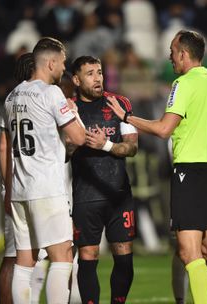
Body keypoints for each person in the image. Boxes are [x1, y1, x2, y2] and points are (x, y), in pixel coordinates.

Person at [107, 30, 207, 304]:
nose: (170, 57)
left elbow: (163, 129)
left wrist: (127, 117)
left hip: (191, 172)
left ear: (184, 54)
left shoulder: (183, 84)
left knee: (189, 252)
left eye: (173, 51)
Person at [2, 37, 85, 304]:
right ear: (50, 63)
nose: (64, 69)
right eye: (62, 63)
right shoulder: (51, 93)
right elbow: (78, 137)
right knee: (62, 256)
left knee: (24, 261)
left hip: (19, 189)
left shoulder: (11, 96)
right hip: (46, 188)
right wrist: (73, 113)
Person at [67, 55, 138, 304]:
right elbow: (63, 153)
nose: (98, 78)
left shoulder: (119, 103)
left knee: (124, 258)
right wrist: (72, 142)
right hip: (85, 197)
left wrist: (105, 145)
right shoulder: (69, 109)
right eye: (90, 74)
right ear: (76, 79)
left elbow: (131, 148)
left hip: (119, 195)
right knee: (88, 256)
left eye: (99, 72)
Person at [0, 52, 50, 304]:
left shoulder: (11, 98)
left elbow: (3, 146)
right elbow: (3, 147)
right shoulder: (42, 96)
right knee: (22, 255)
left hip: (18, 184)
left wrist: (7, 187)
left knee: (20, 255)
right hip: (31, 184)